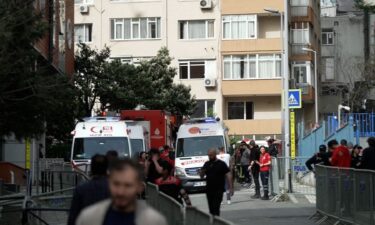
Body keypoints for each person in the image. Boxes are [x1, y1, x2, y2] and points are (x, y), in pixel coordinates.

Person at [76, 158, 167, 225]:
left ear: (140, 187)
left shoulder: (155, 221)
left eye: (128, 185)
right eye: (116, 184)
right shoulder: (88, 218)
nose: (121, 192)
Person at [68, 154, 110, 225]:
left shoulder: (81, 189)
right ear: (106, 169)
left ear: (92, 169)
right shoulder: (114, 189)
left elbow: (73, 216)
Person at [200, 148, 234, 216]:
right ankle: (213, 221)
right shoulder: (207, 164)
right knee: (211, 209)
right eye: (208, 155)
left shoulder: (221, 164)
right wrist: (202, 172)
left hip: (218, 190)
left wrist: (231, 187)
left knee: (216, 208)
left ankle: (216, 221)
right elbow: (201, 176)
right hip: (209, 190)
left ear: (215, 154)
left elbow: (229, 175)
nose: (209, 157)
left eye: (211, 155)